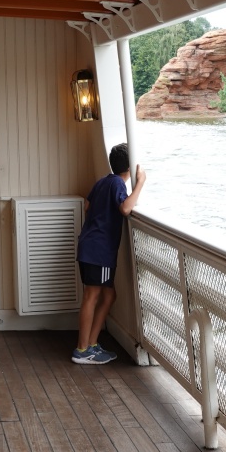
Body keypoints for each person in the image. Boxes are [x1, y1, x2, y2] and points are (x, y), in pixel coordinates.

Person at [73, 142, 146, 364]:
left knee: (108, 295)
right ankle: (82, 349)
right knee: (92, 296)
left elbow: (87, 205)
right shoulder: (116, 184)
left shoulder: (104, 181)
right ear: (130, 168)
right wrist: (140, 183)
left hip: (89, 246)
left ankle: (91, 344)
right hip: (100, 251)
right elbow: (125, 209)